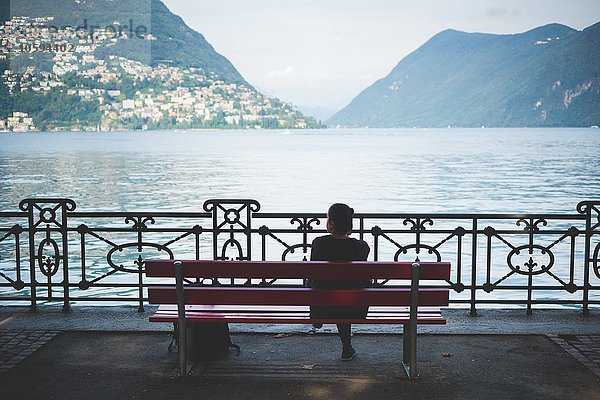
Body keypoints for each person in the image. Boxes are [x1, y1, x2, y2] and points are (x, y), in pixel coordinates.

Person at [308, 203, 371, 361]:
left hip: (323, 307)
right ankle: (347, 348)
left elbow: (313, 273)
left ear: (331, 224)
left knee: (314, 282)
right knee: (346, 290)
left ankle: (316, 319)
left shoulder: (319, 243)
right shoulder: (361, 247)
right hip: (355, 308)